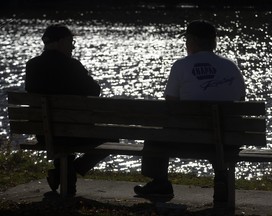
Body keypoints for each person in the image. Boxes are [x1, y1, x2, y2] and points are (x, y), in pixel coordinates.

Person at [134, 20, 246, 201]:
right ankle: (221, 178)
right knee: (215, 137)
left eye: (186, 40)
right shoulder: (231, 67)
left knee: (154, 135)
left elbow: (170, 105)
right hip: (228, 140)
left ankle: (160, 184)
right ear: (214, 42)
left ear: (192, 41)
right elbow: (241, 101)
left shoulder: (181, 66)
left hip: (190, 139)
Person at [25, 24, 113, 196]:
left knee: (62, 135)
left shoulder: (32, 65)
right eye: (71, 42)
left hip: (43, 132)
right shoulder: (72, 66)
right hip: (73, 132)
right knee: (111, 136)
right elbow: (95, 90)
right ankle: (66, 173)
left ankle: (64, 180)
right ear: (62, 41)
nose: (72, 47)